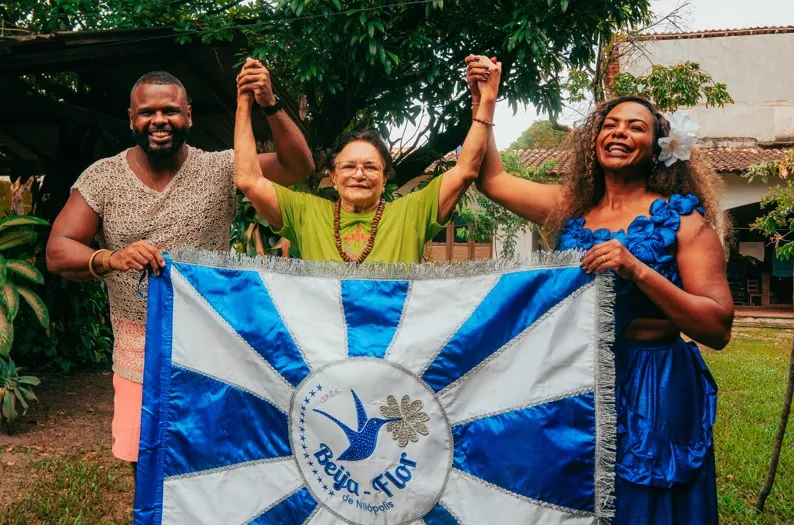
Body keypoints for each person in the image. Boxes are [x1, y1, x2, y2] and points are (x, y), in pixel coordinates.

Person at [468, 58, 733, 524]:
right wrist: (486, 100)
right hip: (576, 375)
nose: (619, 132)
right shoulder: (569, 208)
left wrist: (637, 270)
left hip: (653, 380)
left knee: (641, 501)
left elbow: (717, 326)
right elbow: (493, 180)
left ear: (659, 148)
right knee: (576, 494)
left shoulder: (683, 221)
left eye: (635, 127)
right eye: (610, 125)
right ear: (594, 140)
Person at [45, 60, 314, 471]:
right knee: (147, 461)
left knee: (212, 458)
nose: (159, 120)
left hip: (212, 340)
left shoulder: (221, 167)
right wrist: (110, 258)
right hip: (139, 346)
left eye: (170, 110)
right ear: (131, 119)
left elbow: (298, 167)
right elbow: (57, 250)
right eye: (147, 112)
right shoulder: (103, 178)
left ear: (188, 115)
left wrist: (269, 103)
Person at [233, 56, 501, 263]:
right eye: (349, 166)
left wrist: (484, 100)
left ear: (385, 178)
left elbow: (465, 170)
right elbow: (249, 180)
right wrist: (247, 102)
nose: (359, 174)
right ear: (333, 176)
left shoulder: (412, 213)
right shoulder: (305, 213)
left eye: (370, 167)